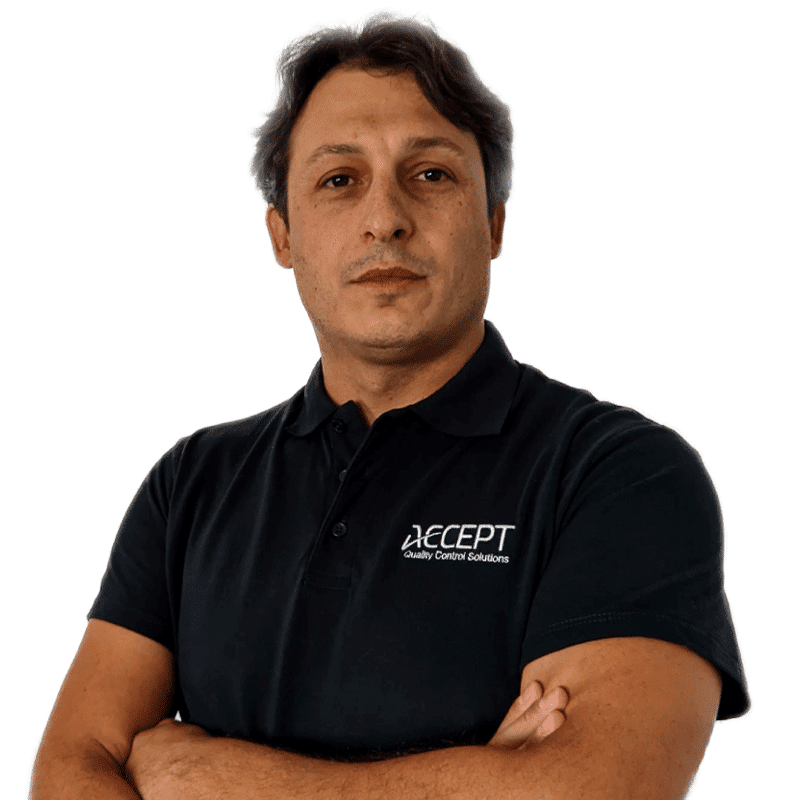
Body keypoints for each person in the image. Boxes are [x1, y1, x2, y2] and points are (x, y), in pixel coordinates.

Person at [31, 14, 749, 799]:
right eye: (339, 180)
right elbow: (69, 772)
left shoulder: (618, 476)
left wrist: (210, 777)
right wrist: (486, 778)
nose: (386, 218)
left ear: (494, 222)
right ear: (283, 235)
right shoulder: (193, 485)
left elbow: (591, 790)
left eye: (431, 174)